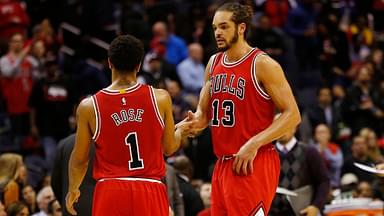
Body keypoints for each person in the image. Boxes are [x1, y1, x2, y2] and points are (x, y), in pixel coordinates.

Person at [183, 2, 301, 215]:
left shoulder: (263, 64)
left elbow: (293, 115)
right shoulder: (213, 62)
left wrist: (254, 143)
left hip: (253, 161)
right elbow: (204, 115)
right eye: (215, 27)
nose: (218, 32)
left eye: (224, 26)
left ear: (241, 28)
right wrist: (191, 123)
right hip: (223, 163)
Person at [65, 34, 190, 216]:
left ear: (109, 63)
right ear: (139, 65)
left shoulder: (89, 106)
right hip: (149, 188)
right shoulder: (160, 98)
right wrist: (182, 130)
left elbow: (80, 159)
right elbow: (169, 147)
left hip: (110, 190)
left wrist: (73, 189)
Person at [270, 119, 330, 216]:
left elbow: (323, 181)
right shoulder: (266, 155)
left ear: (295, 127)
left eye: (284, 124)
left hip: (302, 212)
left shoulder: (309, 152)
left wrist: (315, 206)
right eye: (277, 125)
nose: (280, 128)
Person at [51, 134, 96, 216]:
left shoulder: (64, 143)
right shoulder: (107, 143)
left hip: (71, 208)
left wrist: (65, 200)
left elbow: (55, 182)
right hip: (100, 207)